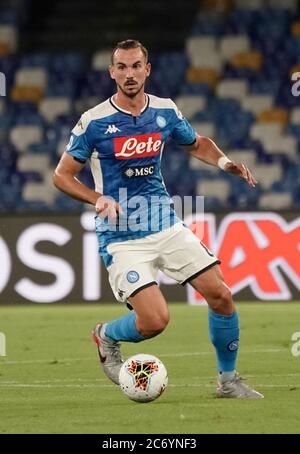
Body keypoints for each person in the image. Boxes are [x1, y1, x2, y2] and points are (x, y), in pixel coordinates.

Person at [53, 39, 263, 399]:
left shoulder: (164, 110)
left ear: (147, 70)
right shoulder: (94, 122)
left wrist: (226, 162)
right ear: (112, 72)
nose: (129, 73)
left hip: (165, 224)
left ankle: (228, 381)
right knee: (155, 322)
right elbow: (62, 176)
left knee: (221, 295)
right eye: (122, 66)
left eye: (136, 66)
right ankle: (106, 335)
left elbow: (196, 142)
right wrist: (97, 198)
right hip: (121, 236)